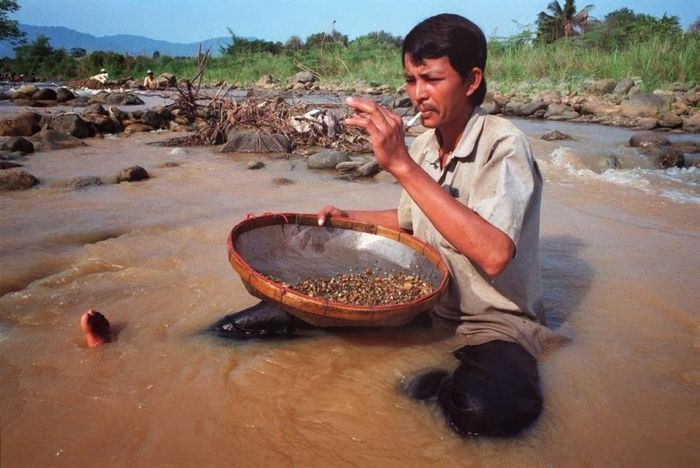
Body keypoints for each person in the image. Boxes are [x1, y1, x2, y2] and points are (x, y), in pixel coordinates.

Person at [222, 13, 563, 437]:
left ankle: (432, 382)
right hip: (422, 306)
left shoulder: (503, 143)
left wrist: (399, 164)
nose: (418, 94)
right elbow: (409, 221)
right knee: (251, 322)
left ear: (472, 80)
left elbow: (494, 255)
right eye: (410, 80)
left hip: (495, 324)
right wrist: (346, 221)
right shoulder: (423, 145)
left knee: (482, 414)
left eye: (432, 79)